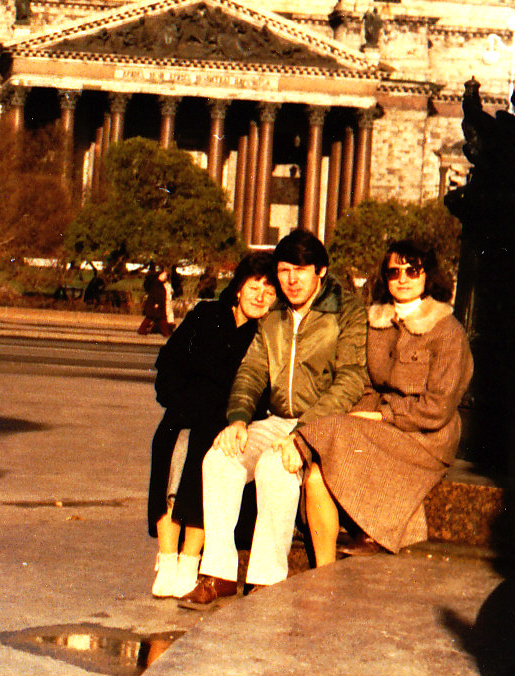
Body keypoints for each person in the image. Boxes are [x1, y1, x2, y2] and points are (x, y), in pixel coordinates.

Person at [180, 229, 367, 609]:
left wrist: (302, 433)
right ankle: (218, 574)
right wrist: (237, 419)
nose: (291, 280)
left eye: (301, 270)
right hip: (277, 419)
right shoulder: (275, 313)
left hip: (324, 421)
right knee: (220, 459)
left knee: (276, 466)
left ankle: (266, 580)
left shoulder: (346, 310)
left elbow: (350, 378)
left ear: (321, 271)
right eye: (284, 270)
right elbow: (252, 370)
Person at [298, 240, 472, 562]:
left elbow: (438, 407)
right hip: (381, 424)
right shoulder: (375, 323)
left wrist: (382, 417)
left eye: (412, 270)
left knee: (330, 434)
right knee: (318, 472)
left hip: (426, 436)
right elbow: (366, 385)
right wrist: (363, 415)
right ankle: (323, 571)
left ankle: (374, 529)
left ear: (428, 275)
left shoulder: (448, 331)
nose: (402, 278)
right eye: (394, 272)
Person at [148, 252, 277, 598]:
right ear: (239, 287)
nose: (260, 295)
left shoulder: (267, 334)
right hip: (186, 407)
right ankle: (167, 559)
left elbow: (261, 391)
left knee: (203, 450)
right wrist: (179, 400)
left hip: (226, 418)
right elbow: (170, 362)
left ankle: (189, 561)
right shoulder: (206, 316)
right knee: (169, 439)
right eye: (255, 286)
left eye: (269, 290)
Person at [138, 266, 175, 337]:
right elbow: (155, 295)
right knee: (155, 318)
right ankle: (165, 333)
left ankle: (165, 332)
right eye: (163, 275)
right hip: (155, 305)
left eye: (165, 276)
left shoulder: (160, 284)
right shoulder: (156, 284)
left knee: (160, 319)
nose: (165, 277)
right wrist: (156, 303)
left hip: (159, 305)